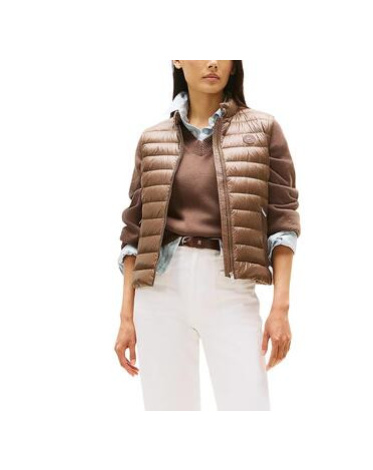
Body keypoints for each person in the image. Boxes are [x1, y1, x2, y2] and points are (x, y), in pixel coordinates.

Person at [114, 60, 301, 411]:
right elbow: (133, 234)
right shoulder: (152, 139)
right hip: (161, 290)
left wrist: (281, 307)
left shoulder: (264, 129)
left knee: (247, 407)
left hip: (231, 287)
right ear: (178, 60)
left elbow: (283, 221)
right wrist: (126, 317)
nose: (213, 61)